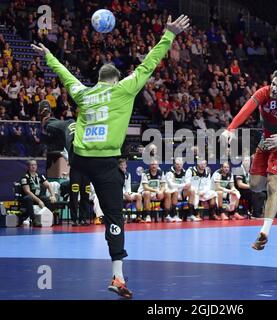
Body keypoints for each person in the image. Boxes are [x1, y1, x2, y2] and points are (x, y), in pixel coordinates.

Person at [31, 14, 190, 299]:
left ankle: (47, 125)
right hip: (106, 164)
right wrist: (169, 35)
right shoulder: (124, 90)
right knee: (114, 217)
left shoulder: (84, 93)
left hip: (79, 157)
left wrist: (48, 55)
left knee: (69, 125)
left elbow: (65, 75)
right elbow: (148, 65)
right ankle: (117, 275)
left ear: (98, 80)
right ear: (116, 79)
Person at [221, 69, 277, 251]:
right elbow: (247, 109)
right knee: (256, 186)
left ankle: (264, 232)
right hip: (265, 142)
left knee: (273, 185)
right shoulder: (264, 92)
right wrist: (231, 128)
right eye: (273, 83)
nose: (273, 88)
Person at [38, 100, 91, 227]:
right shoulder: (69, 124)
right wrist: (46, 118)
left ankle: (83, 218)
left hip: (87, 167)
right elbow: (49, 125)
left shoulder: (88, 126)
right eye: (77, 109)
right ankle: (74, 219)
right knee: (74, 193)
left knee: (85, 194)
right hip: (77, 166)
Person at [19, 159, 56, 226]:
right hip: (29, 198)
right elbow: (27, 191)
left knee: (46, 199)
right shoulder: (25, 178)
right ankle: (34, 220)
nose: (33, 166)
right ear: (28, 166)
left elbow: (48, 185)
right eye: (31, 165)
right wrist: (39, 201)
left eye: (35, 165)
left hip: (38, 197)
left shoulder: (39, 176)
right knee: (28, 198)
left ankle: (49, 218)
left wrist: (53, 195)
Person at [164, 157, 192, 222]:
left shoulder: (185, 172)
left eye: (180, 164)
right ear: (174, 164)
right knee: (175, 191)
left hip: (180, 192)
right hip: (169, 191)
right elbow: (171, 185)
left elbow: (188, 182)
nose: (179, 166)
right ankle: (169, 215)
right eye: (177, 164)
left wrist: (187, 184)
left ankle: (191, 214)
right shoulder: (170, 172)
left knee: (192, 190)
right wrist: (183, 185)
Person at [118, 158, 142, 224]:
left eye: (124, 165)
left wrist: (128, 194)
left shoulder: (128, 174)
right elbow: (117, 187)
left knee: (138, 196)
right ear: (118, 166)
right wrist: (124, 194)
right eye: (121, 165)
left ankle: (138, 216)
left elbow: (128, 186)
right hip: (118, 194)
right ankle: (122, 216)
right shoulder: (116, 174)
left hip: (126, 193)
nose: (123, 166)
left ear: (126, 166)